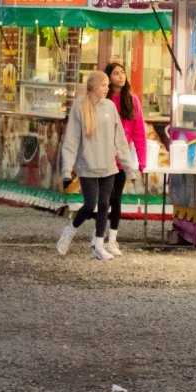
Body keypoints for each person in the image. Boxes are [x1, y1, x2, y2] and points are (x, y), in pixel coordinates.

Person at [57, 70, 138, 262]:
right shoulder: (79, 106)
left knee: (104, 204)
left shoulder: (110, 106)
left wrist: (129, 169)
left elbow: (120, 140)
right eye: (104, 85)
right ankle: (70, 231)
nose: (107, 88)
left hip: (109, 166)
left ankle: (98, 246)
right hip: (87, 166)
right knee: (89, 205)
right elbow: (71, 140)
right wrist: (67, 170)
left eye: (107, 85)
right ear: (93, 86)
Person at [102, 61, 148, 257]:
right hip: (102, 157)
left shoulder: (132, 100)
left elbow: (139, 132)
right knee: (103, 200)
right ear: (108, 78)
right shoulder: (103, 99)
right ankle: (98, 238)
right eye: (115, 73)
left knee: (116, 198)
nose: (120, 76)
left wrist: (142, 160)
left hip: (122, 159)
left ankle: (112, 239)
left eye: (122, 72)